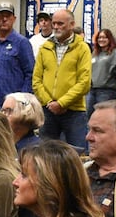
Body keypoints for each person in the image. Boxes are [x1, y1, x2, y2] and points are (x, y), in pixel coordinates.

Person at [32, 8, 92, 148]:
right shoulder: (44, 48)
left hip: (74, 112)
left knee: (78, 154)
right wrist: (49, 102)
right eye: (54, 23)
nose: (56, 27)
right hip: (47, 110)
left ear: (72, 25)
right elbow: (36, 80)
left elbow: (84, 83)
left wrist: (62, 103)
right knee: (45, 154)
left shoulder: (82, 48)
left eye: (61, 24)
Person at [0, 2, 35, 109]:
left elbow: (30, 74)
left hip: (13, 105)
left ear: (14, 19)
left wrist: (22, 98)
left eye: (8, 16)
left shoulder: (22, 43)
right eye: (1, 16)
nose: (4, 19)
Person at [89, 27, 116, 109]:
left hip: (106, 90)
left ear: (109, 39)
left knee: (102, 115)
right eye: (99, 37)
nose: (101, 40)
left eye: (104, 37)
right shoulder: (95, 53)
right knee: (89, 116)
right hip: (92, 90)